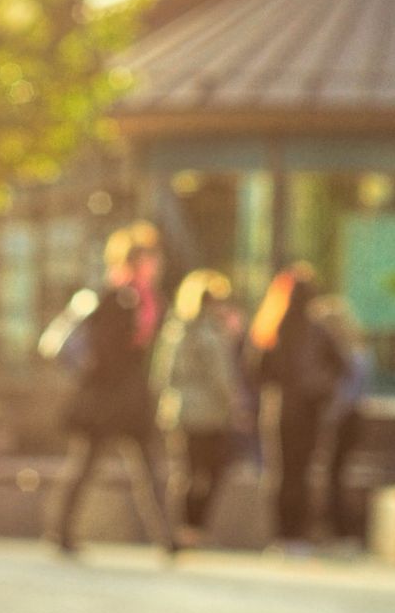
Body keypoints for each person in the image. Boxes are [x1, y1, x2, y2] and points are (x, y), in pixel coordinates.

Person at [41, 222, 176, 558]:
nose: (156, 265)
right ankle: (60, 531)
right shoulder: (116, 298)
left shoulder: (146, 300)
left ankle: (167, 538)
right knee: (88, 465)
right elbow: (106, 351)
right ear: (137, 261)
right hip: (108, 400)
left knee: (148, 468)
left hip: (128, 399)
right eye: (151, 258)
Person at [249, 265, 344, 555]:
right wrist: (321, 388)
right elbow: (341, 365)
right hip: (309, 410)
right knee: (301, 472)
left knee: (282, 472)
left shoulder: (273, 327)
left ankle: (283, 534)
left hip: (280, 409)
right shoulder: (317, 330)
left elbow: (256, 371)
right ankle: (298, 535)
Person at [153, 269, 244, 548]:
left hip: (178, 411)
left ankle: (181, 528)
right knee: (212, 471)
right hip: (209, 413)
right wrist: (236, 405)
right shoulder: (210, 333)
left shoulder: (174, 330)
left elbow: (160, 376)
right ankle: (194, 528)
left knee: (186, 471)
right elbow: (222, 377)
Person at [309, 295, 370, 546]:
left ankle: (341, 529)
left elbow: (349, 393)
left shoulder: (351, 355)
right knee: (334, 473)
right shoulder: (355, 351)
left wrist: (328, 417)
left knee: (336, 474)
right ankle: (335, 528)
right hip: (347, 417)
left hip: (344, 419)